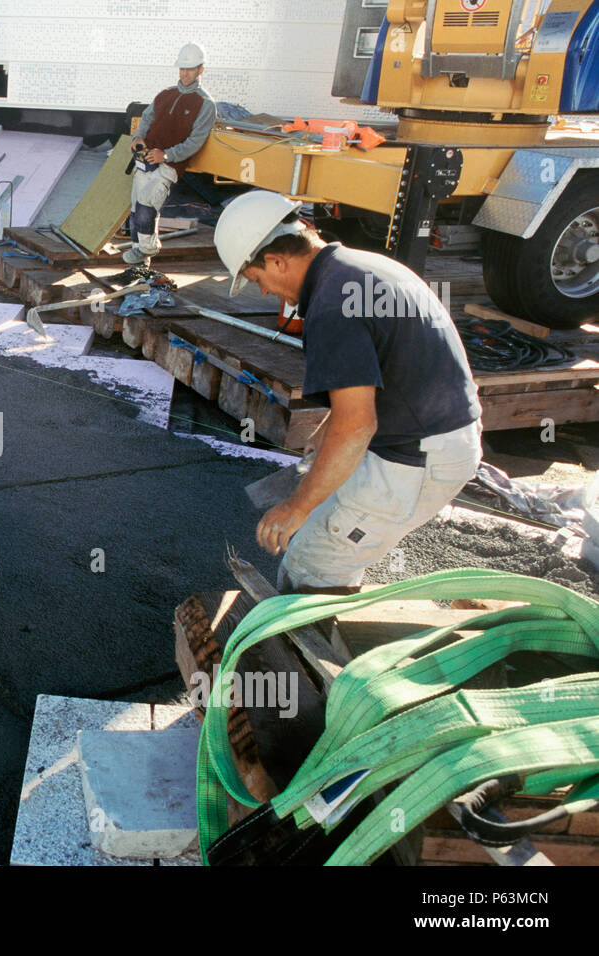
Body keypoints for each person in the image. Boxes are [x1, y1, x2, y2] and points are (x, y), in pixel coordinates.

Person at [214, 190, 483, 592]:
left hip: (416, 457)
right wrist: (326, 433)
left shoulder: (330, 305)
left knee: (311, 567)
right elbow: (372, 381)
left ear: (276, 260)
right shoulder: (360, 267)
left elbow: (357, 425)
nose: (265, 292)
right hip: (435, 438)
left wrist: (296, 507)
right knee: (329, 518)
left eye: (258, 279)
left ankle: (316, 649)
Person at [124, 42, 216, 265]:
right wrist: (139, 136)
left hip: (169, 165)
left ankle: (148, 249)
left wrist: (166, 155)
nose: (184, 73)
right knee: (136, 207)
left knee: (147, 204)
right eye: (182, 68)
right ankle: (139, 259)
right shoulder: (166, 94)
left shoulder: (205, 104)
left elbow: (195, 142)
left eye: (190, 69)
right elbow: (147, 117)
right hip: (145, 160)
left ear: (200, 70)